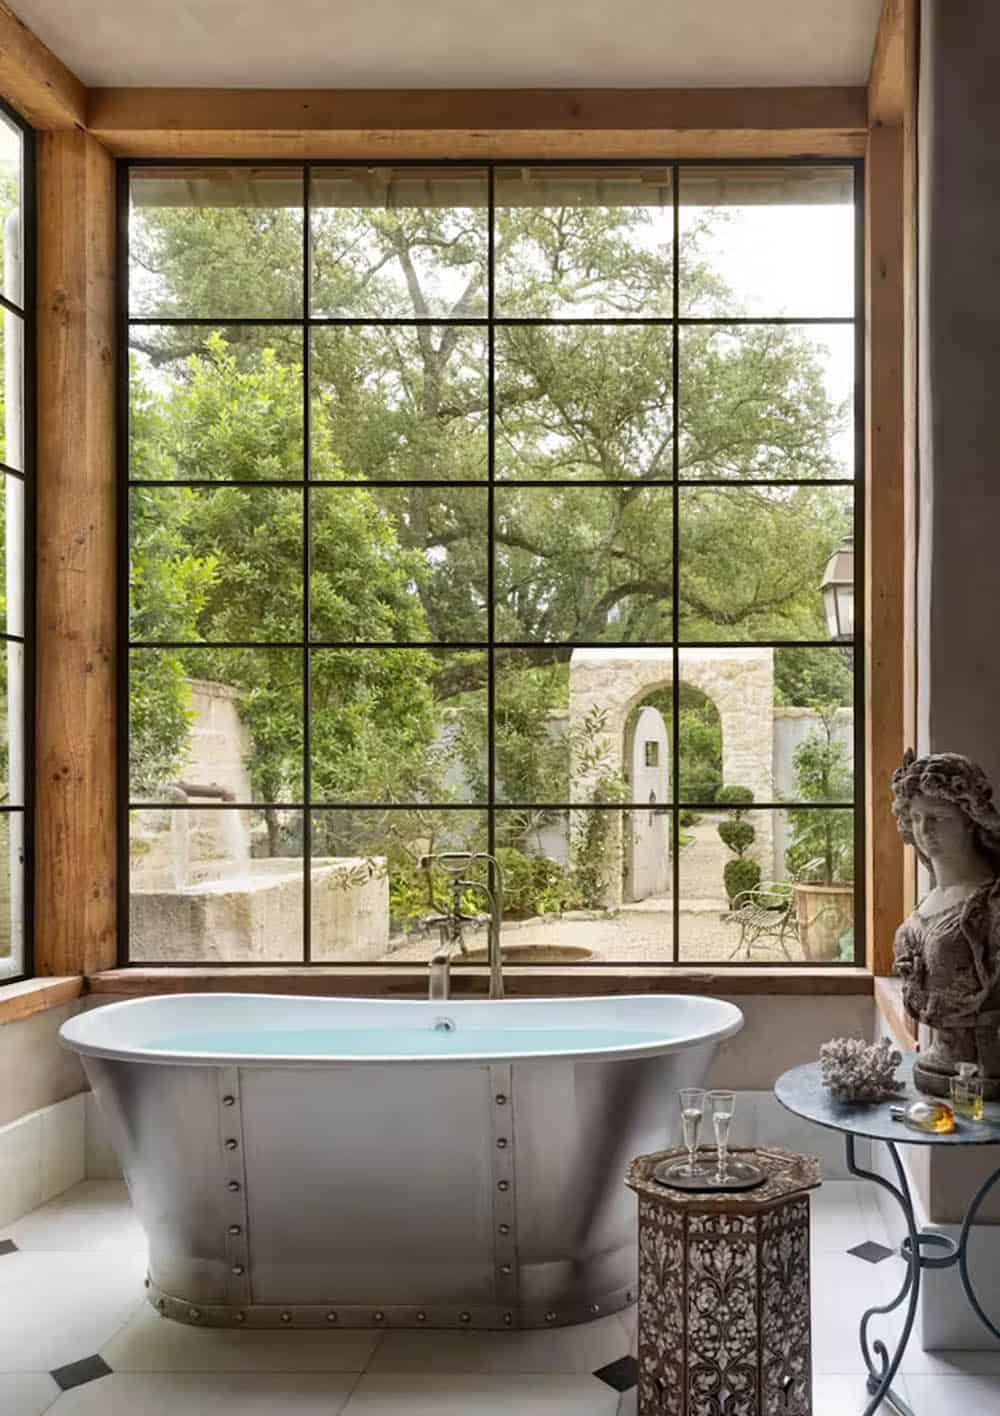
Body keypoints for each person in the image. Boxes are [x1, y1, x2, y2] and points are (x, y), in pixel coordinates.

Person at [891, 750, 1000, 1098]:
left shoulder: (990, 903)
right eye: (917, 817)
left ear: (970, 819)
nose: (925, 830)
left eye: (938, 818)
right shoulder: (930, 901)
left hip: (983, 1070)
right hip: (935, 1063)